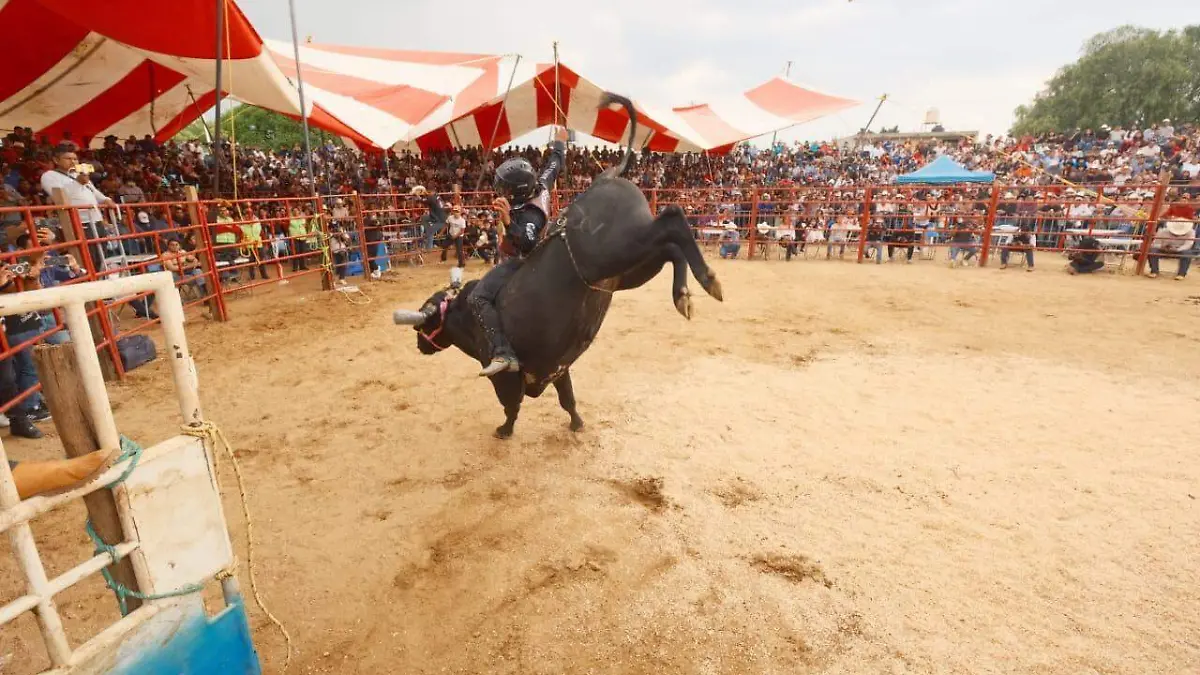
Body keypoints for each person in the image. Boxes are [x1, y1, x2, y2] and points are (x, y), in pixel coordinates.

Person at [469, 128, 568, 376]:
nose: (501, 193)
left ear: (516, 191)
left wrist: (507, 221)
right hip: (532, 256)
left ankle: (503, 352)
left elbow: (527, 242)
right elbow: (553, 164)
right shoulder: (542, 184)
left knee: (477, 298)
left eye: (504, 190)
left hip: (525, 262)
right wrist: (559, 143)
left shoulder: (531, 213)